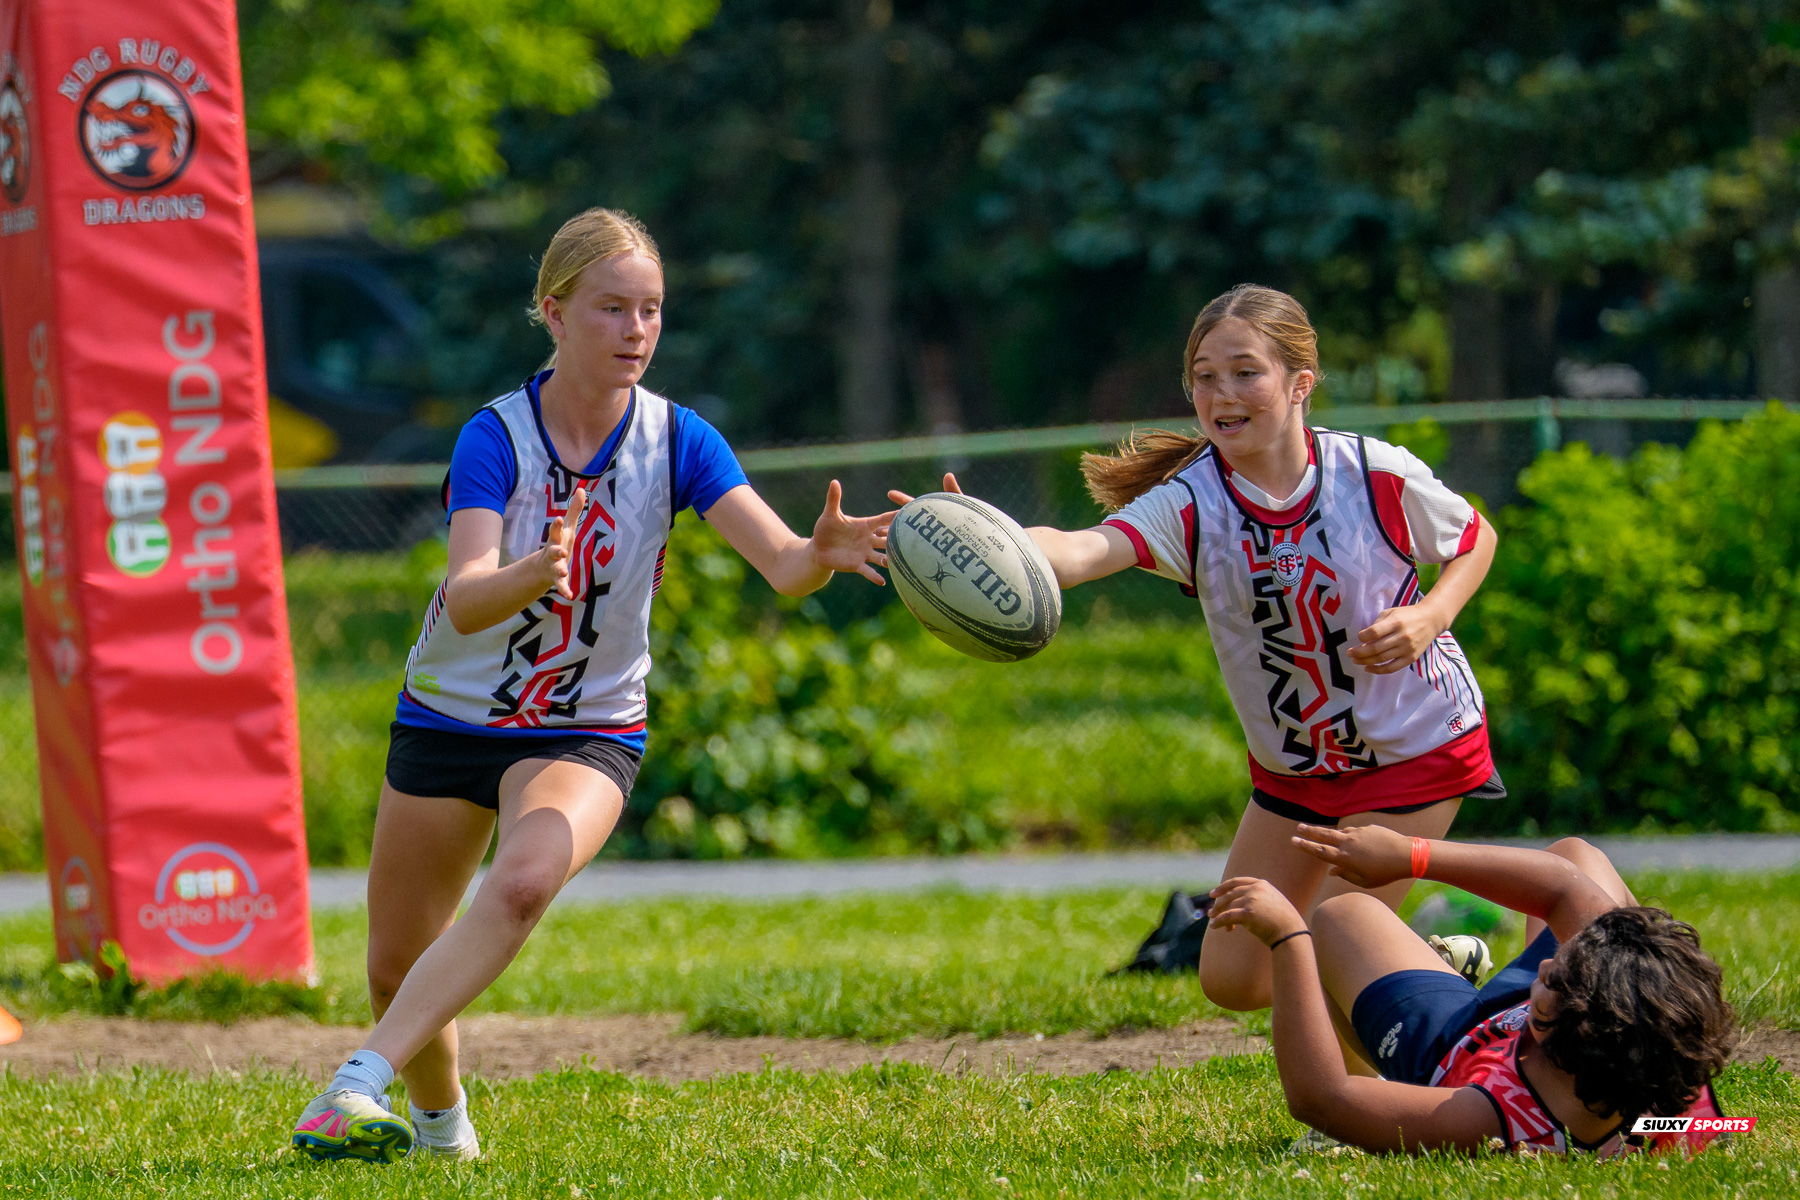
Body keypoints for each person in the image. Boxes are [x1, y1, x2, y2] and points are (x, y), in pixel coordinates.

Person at [291, 208, 896, 1162]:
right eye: (613, 308)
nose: (636, 330)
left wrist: (820, 553)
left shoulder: (680, 439)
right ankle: (443, 1133)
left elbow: (783, 565)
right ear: (555, 312)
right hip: (450, 716)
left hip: (587, 725)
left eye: (651, 310)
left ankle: (353, 1083)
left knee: (525, 881)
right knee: (397, 966)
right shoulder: (495, 437)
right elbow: (467, 598)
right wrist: (531, 573)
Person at [892, 284, 1501, 1013]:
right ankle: (1429, 960)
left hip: (1416, 747)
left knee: (1335, 946)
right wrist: (986, 539)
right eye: (1205, 377)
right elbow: (1085, 550)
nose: (1222, 393)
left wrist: (1431, 615)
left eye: (1245, 371)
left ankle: (1402, 1068)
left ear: (1300, 383)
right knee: (1233, 978)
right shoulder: (1194, 501)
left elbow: (1474, 538)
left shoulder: (1372, 474)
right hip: (1298, 773)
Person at [1207, 826, 1737, 1155]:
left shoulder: (1483, 1118)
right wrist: (1411, 855)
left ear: (1578, 1032)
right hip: (1517, 1022)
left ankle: (1392, 1073)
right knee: (1578, 855)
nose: (1546, 962)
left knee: (1337, 918)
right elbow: (1563, 887)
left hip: (1453, 1047)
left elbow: (1323, 1099)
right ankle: (1453, 971)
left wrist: (1288, 938)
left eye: (1554, 977)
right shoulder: (1659, 1063)